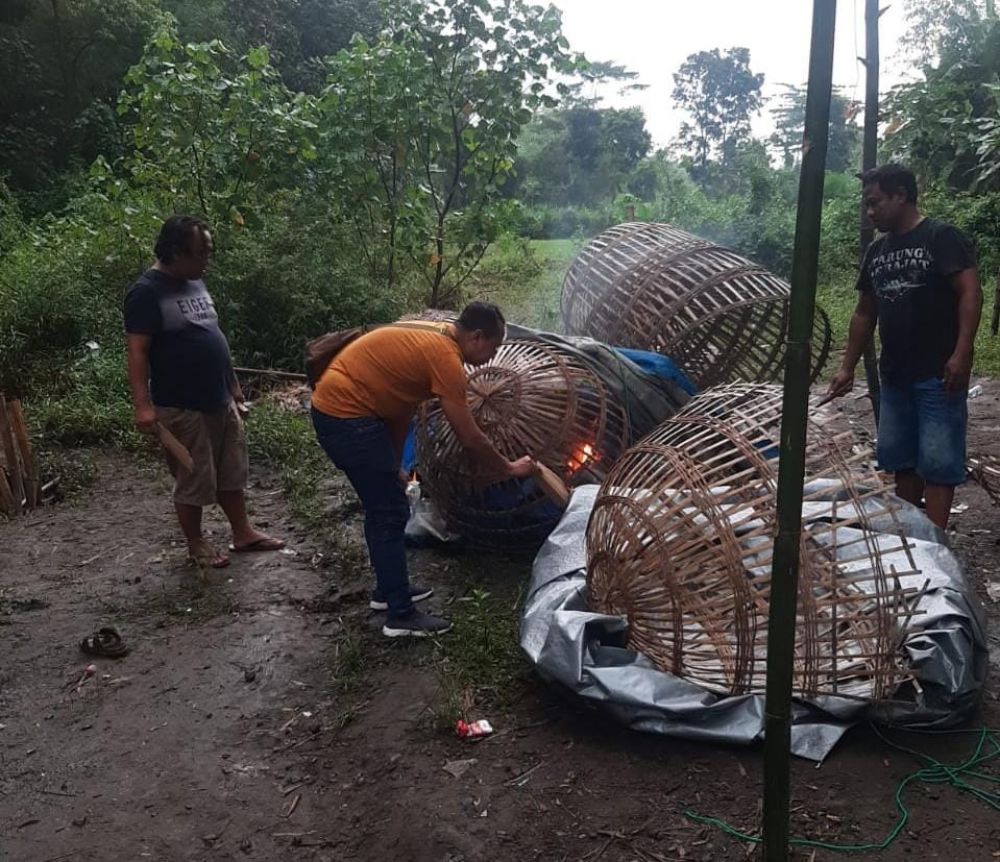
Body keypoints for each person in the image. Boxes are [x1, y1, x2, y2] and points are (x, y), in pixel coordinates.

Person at [310, 302, 536, 637]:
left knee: (386, 504)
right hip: (347, 417)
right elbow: (470, 436)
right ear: (476, 337)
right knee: (387, 511)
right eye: (494, 346)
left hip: (346, 412)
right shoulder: (446, 358)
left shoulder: (438, 334)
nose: (492, 355)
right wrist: (509, 467)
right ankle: (400, 616)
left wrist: (393, 463)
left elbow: (402, 406)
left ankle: (388, 592)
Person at [826, 164, 982, 530]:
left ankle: (938, 542)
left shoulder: (940, 237)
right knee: (903, 462)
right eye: (867, 204)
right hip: (895, 376)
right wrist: (846, 366)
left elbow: (970, 293)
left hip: (938, 373)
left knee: (940, 464)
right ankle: (912, 536)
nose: (869, 212)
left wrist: (962, 353)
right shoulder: (877, 251)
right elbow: (865, 312)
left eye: (874, 202)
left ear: (901, 196)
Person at [124, 216, 284, 567]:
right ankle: (196, 544)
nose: (206, 259)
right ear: (174, 253)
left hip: (220, 398)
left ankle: (242, 533)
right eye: (200, 252)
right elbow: (137, 351)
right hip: (182, 405)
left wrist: (234, 386)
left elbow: (213, 334)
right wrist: (142, 406)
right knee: (194, 477)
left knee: (231, 471)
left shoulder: (194, 282)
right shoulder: (146, 293)